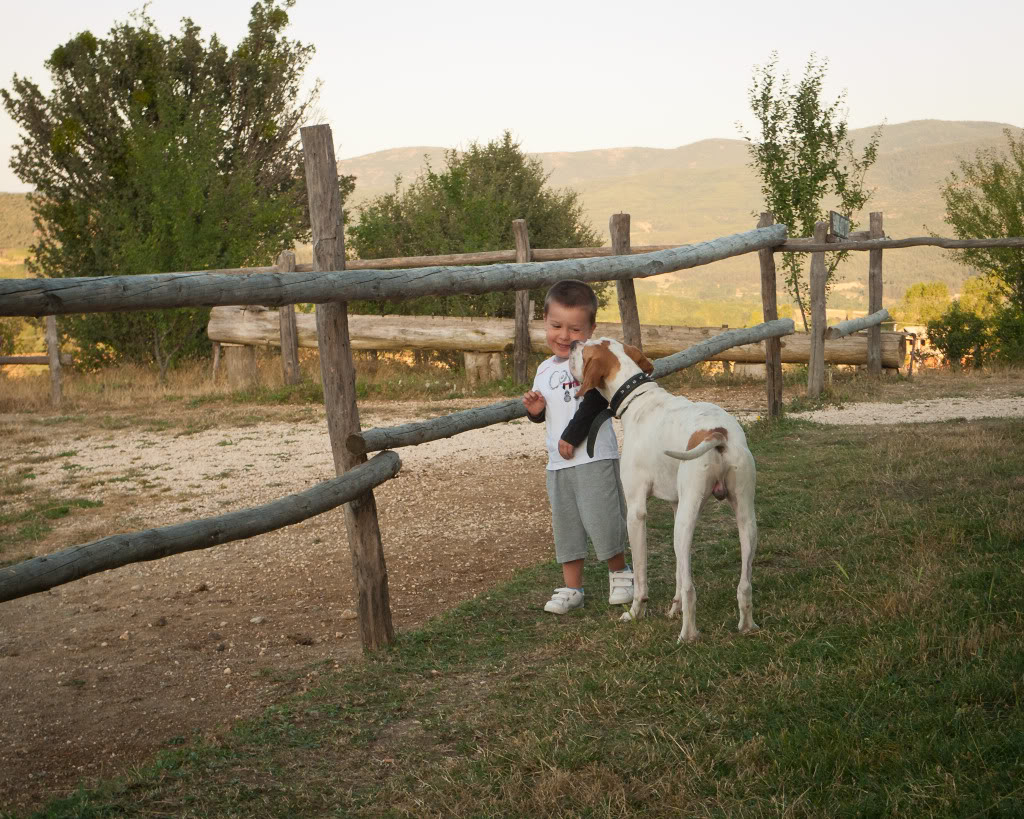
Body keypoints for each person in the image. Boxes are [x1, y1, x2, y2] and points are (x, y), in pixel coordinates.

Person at [522, 279, 634, 614]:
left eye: (574, 328)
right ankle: (573, 588)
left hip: (594, 457)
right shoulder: (543, 370)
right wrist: (536, 413)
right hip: (558, 465)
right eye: (556, 326)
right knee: (567, 526)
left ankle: (621, 574)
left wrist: (572, 436)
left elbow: (598, 404)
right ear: (544, 320)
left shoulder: (594, 359)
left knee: (603, 519)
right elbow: (550, 412)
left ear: (591, 329)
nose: (564, 336)